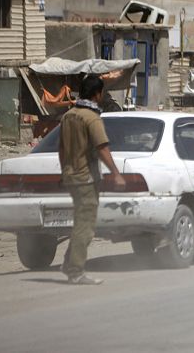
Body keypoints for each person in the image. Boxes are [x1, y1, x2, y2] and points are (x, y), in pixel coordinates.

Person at [58, 75, 125, 285]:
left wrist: (64, 171)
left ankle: (69, 262)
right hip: (85, 177)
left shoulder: (68, 116)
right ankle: (75, 271)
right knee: (85, 225)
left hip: (71, 175)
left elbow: (61, 148)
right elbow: (102, 147)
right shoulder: (91, 118)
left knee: (80, 220)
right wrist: (116, 173)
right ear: (97, 94)